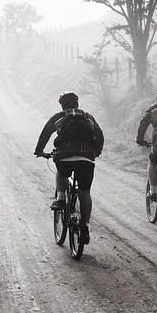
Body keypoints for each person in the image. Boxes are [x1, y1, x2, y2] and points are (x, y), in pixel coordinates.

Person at [34, 91, 104, 245]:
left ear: (62, 105)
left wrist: (39, 151)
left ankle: (60, 198)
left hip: (64, 157)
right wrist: (96, 151)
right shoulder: (87, 117)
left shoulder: (59, 117)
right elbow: (99, 134)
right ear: (77, 103)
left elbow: (45, 134)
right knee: (85, 192)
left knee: (61, 173)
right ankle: (84, 226)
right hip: (87, 158)